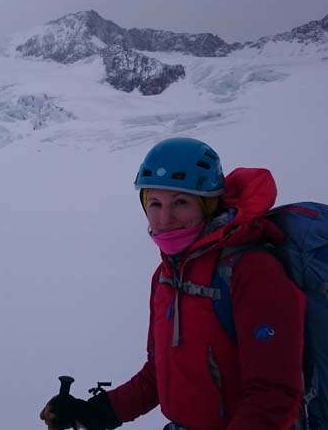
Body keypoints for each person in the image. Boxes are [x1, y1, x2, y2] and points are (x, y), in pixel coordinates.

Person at [40, 137, 306, 430]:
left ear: (208, 205)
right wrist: (91, 414)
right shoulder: (166, 276)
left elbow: (273, 395)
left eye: (181, 202)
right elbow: (158, 376)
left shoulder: (252, 272)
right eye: (155, 203)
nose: (165, 218)